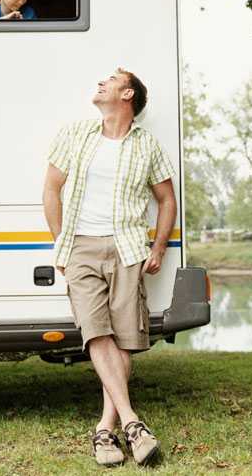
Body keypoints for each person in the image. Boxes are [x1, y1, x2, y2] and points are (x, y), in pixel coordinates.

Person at [42, 68, 177, 467]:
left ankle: (105, 429)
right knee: (95, 333)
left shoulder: (147, 145)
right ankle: (133, 422)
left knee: (121, 340)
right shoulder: (76, 134)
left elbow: (167, 200)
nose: (100, 82)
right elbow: (51, 189)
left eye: (110, 79)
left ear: (128, 93)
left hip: (128, 249)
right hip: (80, 248)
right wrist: (61, 242)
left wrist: (159, 246)